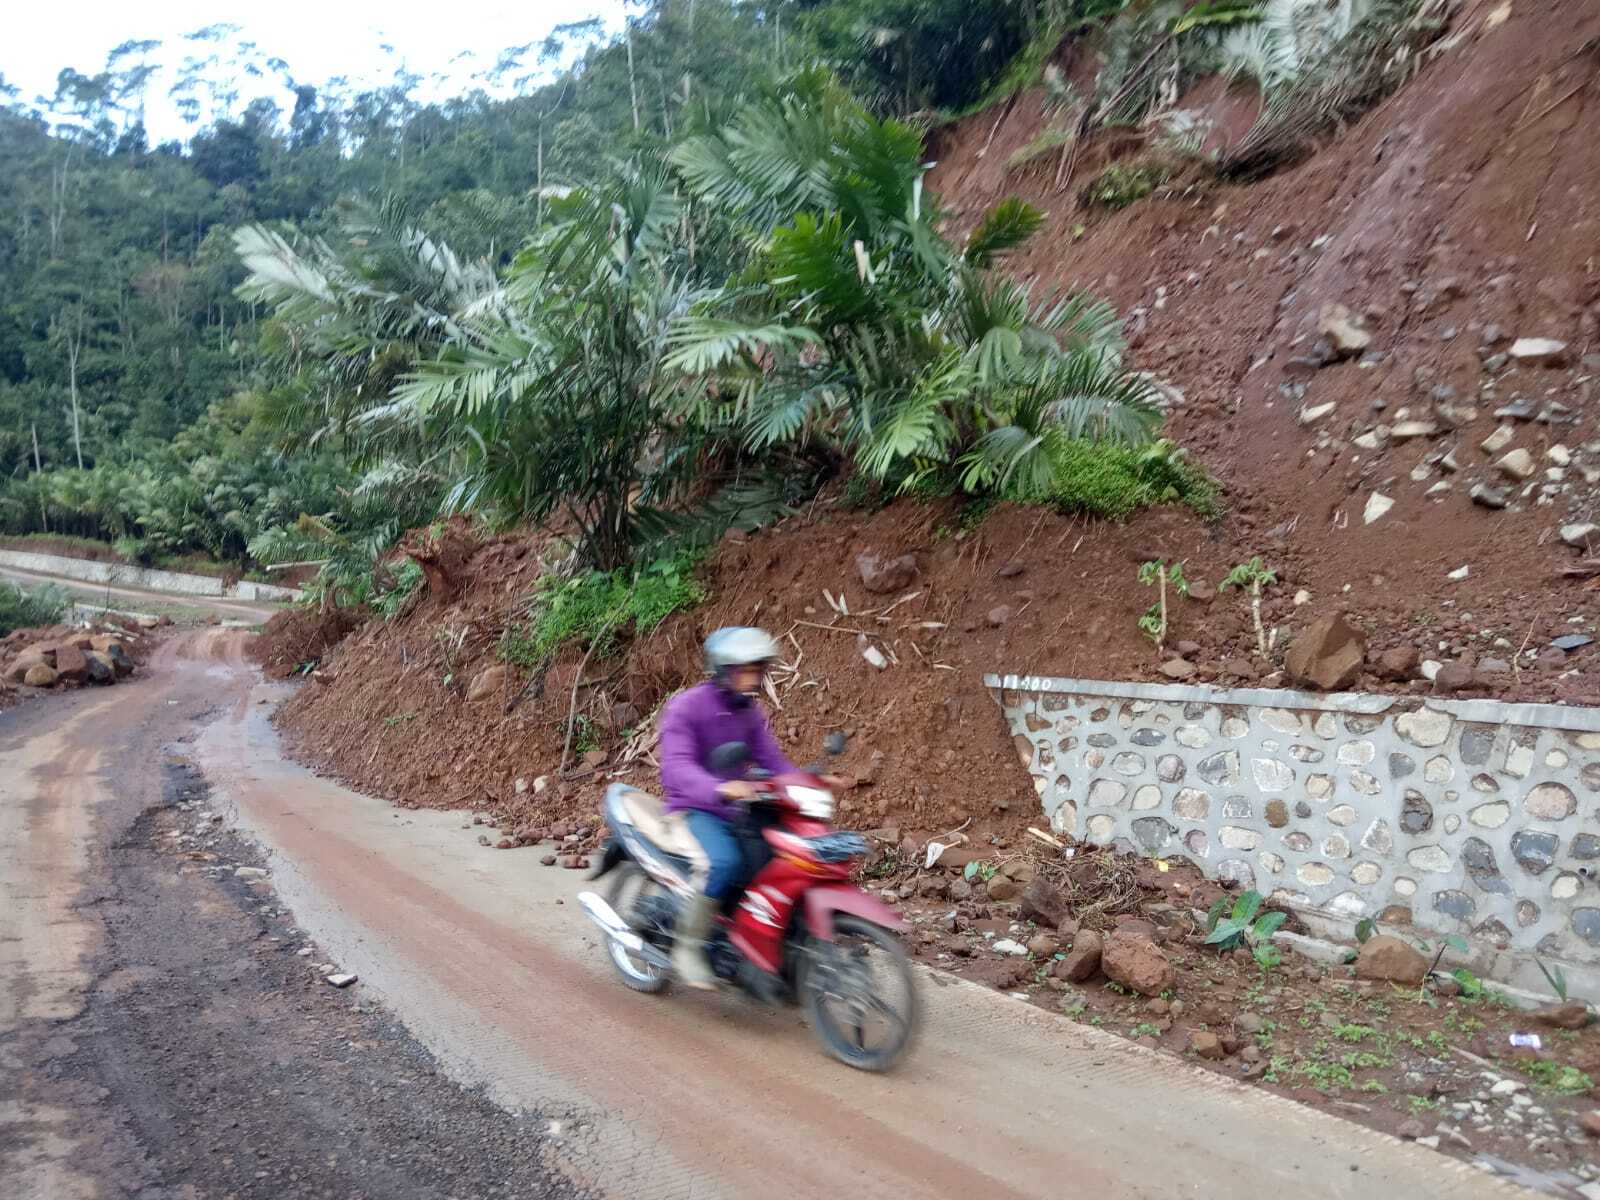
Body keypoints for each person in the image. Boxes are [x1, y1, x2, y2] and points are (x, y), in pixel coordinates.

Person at [657, 626, 829, 989]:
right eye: (744, 670)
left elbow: (774, 761)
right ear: (723, 670)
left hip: (736, 810)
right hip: (693, 809)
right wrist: (720, 787)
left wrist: (809, 782)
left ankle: (760, 944)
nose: (752, 679)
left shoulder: (748, 712)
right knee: (725, 862)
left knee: (777, 860)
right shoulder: (686, 707)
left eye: (757, 670)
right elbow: (677, 767)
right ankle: (688, 947)